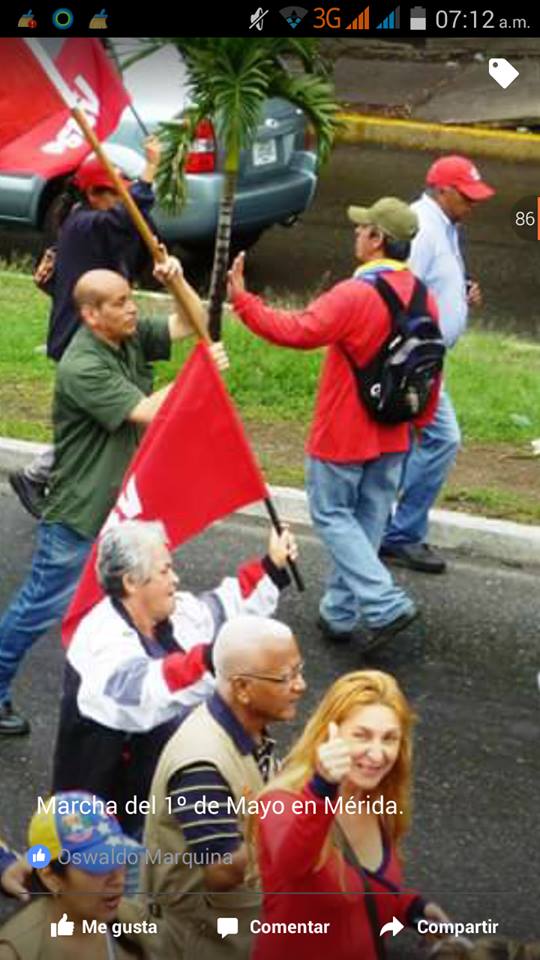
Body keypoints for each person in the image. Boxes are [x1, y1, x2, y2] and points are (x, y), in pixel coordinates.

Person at [0, 258, 227, 736]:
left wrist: (177, 280)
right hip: (79, 515)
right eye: (121, 302)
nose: (132, 308)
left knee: (126, 609)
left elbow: (194, 322)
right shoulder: (82, 366)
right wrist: (199, 375)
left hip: (120, 513)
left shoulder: (125, 335)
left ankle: (124, 700)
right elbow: (146, 411)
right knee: (37, 608)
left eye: (132, 297)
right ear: (91, 315)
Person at [228, 197, 440, 650]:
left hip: (344, 431)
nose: (355, 233)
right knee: (366, 524)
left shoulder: (355, 293)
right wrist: (418, 422)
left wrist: (242, 301)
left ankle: (383, 603)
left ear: (378, 239)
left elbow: (297, 330)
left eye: (362, 228)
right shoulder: (424, 295)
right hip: (395, 433)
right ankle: (339, 614)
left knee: (331, 515)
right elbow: (431, 367)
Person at [52, 519, 298, 836]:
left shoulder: (172, 612)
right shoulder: (100, 641)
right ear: (131, 582)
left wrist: (272, 566)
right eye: (165, 570)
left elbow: (224, 609)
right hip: (104, 823)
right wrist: (214, 658)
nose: (176, 578)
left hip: (162, 799)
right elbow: (148, 690)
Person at [9, 138, 162, 519]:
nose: (122, 199)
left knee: (103, 416)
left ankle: (54, 477)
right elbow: (126, 217)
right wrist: (151, 169)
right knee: (109, 414)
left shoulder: (93, 227)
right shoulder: (85, 223)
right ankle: (42, 475)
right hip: (82, 341)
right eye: (116, 192)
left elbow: (133, 234)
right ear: (93, 194)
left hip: (100, 335)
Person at [249, 670, 449, 960]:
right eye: (361, 736)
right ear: (327, 734)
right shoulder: (281, 802)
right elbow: (291, 865)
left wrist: (412, 909)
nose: (378, 755)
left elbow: (359, 894)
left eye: (390, 739)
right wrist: (323, 786)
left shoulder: (374, 800)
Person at [141, 615, 306, 959]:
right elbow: (224, 870)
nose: (300, 685)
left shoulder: (246, 728)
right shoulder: (202, 765)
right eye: (285, 677)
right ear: (242, 688)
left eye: (299, 670)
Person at [381, 155, 495, 574]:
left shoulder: (446, 225)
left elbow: (428, 282)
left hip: (426, 358)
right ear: (442, 191)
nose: (473, 205)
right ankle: (399, 534)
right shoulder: (422, 226)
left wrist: (458, 292)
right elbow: (402, 287)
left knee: (403, 446)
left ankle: (385, 528)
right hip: (416, 359)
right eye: (466, 197)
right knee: (443, 439)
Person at [0, 792, 155, 959]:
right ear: (50, 877)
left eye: (121, 858)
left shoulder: (136, 922)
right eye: (100, 866)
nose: (118, 879)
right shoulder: (17, 952)